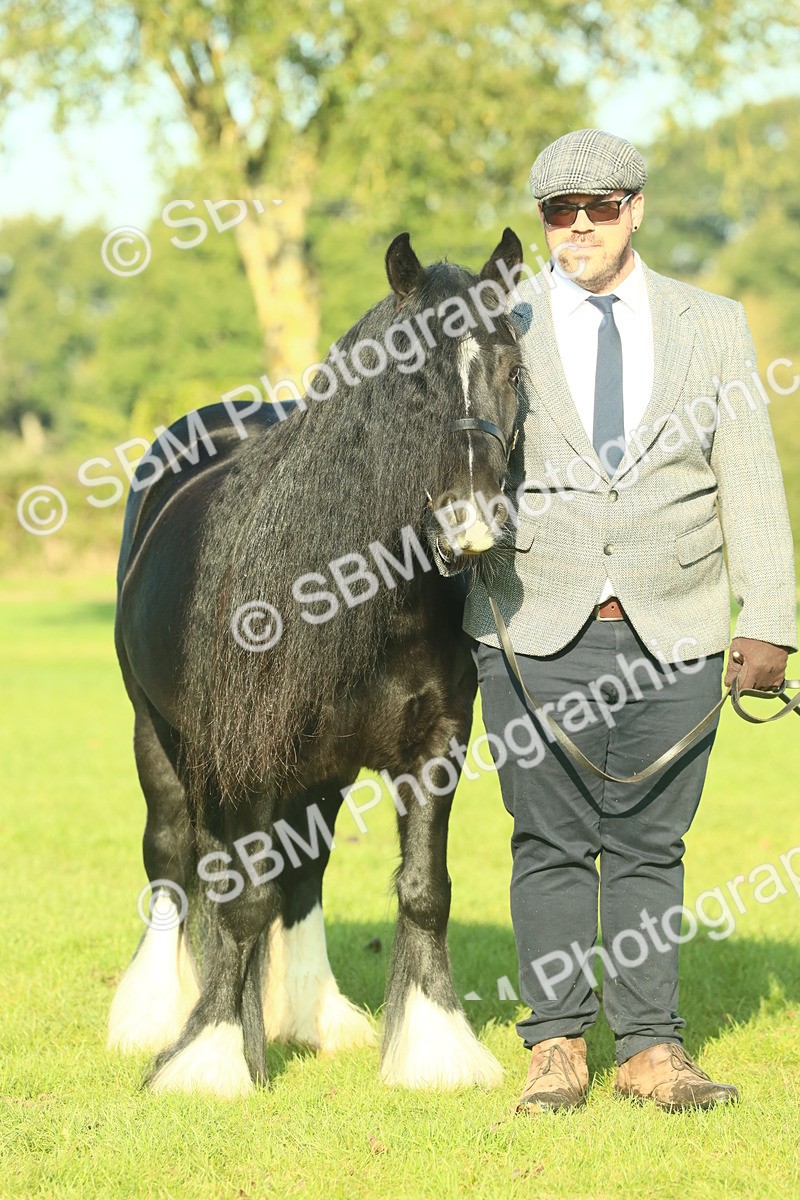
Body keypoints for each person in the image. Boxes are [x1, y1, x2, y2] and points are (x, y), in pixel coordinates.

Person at [466, 128, 797, 1112]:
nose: (576, 227)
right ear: (541, 223)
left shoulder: (712, 324)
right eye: (557, 213)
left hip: (678, 626)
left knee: (653, 845)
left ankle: (651, 1050)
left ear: (633, 209)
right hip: (531, 626)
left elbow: (746, 475)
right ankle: (555, 1049)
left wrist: (769, 615)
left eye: (596, 208)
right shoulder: (500, 318)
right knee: (548, 840)